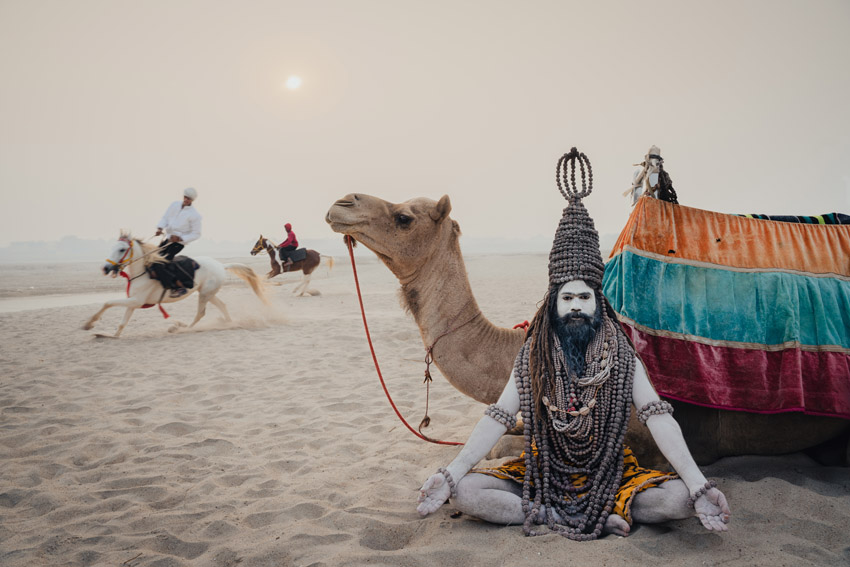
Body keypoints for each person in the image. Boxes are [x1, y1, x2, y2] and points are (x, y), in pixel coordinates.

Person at [416, 148, 730, 540]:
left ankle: (596, 508)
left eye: (585, 298)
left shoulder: (620, 353)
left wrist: (699, 485)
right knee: (465, 492)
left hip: (612, 472)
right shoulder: (535, 355)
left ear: (599, 301)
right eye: (567, 298)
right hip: (543, 472)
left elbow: (656, 415)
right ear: (553, 302)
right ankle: (563, 514)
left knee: (679, 499)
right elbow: (498, 415)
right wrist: (451, 473)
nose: (577, 306)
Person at [154, 187, 202, 297]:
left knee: (160, 264)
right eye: (185, 197)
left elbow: (196, 234)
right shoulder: (174, 205)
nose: (186, 200)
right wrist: (160, 228)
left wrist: (180, 238)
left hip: (177, 244)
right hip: (167, 239)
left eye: (189, 199)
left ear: (192, 200)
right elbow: (165, 218)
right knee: (152, 258)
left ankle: (178, 287)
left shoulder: (195, 215)